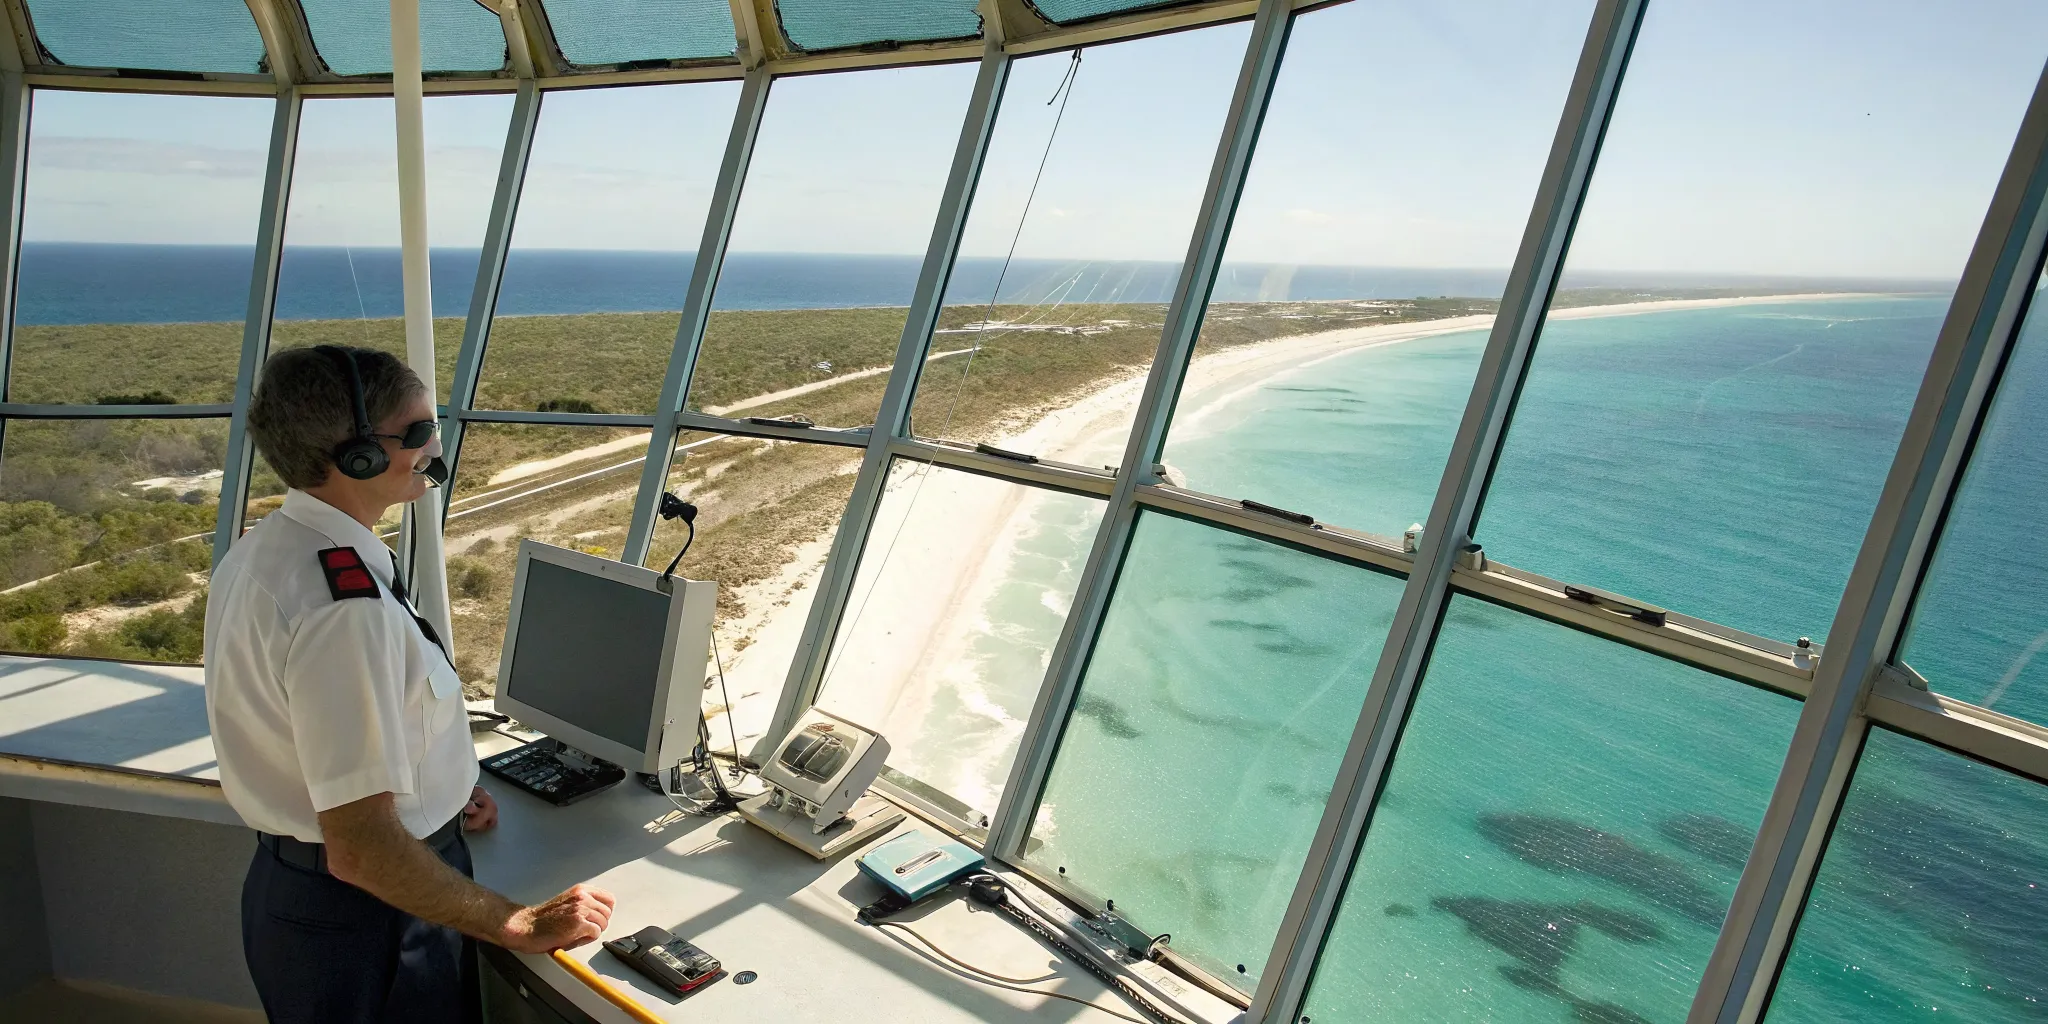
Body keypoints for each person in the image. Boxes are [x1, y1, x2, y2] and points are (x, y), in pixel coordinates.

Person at [204, 345, 614, 1023]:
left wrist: (440, 794)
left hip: (310, 900)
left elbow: (324, 733)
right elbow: (362, 849)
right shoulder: (344, 610)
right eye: (417, 432)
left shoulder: (271, 552)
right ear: (356, 454)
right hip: (370, 920)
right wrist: (519, 925)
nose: (434, 445)